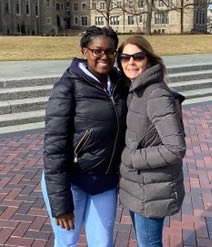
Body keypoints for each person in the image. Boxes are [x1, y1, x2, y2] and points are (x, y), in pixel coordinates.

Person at [41, 26, 128, 247]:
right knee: (67, 241)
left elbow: (146, 86)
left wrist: (170, 98)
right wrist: (61, 204)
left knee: (103, 243)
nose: (104, 57)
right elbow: (54, 148)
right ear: (85, 51)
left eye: (110, 52)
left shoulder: (119, 83)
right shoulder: (67, 86)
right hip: (72, 181)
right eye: (97, 50)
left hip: (105, 181)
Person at [117, 35, 186, 247]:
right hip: (140, 186)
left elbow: (176, 148)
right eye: (124, 57)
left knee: (149, 244)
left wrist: (132, 157)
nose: (131, 62)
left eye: (137, 56)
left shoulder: (155, 94)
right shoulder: (136, 89)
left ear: (149, 59)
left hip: (151, 189)